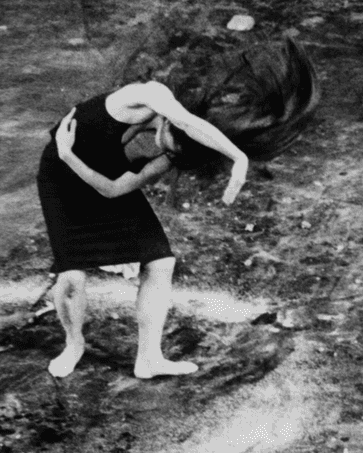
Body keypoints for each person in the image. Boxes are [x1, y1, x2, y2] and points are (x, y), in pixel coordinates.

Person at [36, 34, 317, 381]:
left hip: (96, 173)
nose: (172, 151)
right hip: (60, 174)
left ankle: (149, 358)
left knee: (161, 261)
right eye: (177, 143)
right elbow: (186, 123)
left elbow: (112, 189)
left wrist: (73, 155)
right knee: (72, 276)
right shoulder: (150, 94)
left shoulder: (173, 150)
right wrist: (237, 157)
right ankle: (73, 344)